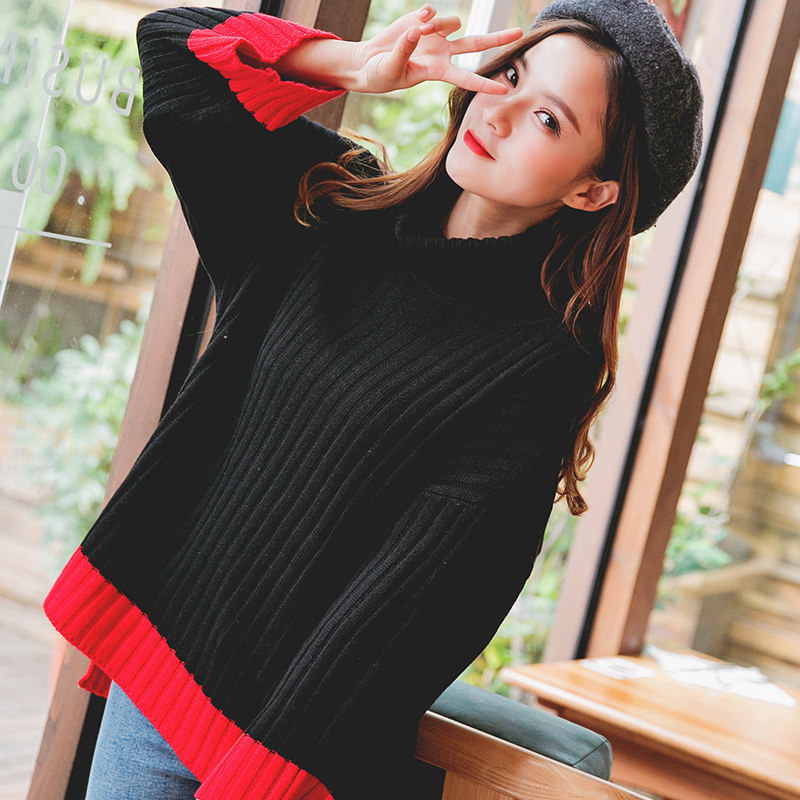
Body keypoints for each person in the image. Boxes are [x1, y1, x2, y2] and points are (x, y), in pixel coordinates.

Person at [43, 2, 702, 799]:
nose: (497, 110)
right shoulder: (334, 202)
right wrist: (353, 66)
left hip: (280, 754)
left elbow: (412, 608)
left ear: (594, 191)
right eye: (510, 74)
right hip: (155, 693)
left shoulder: (540, 366)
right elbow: (173, 48)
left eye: (548, 119)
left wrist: (265, 780)